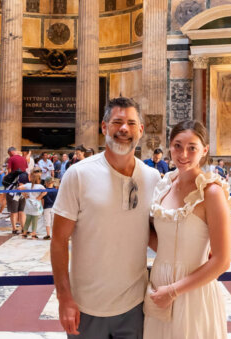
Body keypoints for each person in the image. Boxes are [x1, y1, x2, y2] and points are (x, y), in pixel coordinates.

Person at [51, 97, 161, 338]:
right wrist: (64, 298)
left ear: (141, 130)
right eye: (117, 122)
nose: (124, 129)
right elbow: (58, 241)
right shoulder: (78, 174)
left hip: (135, 306)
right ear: (104, 127)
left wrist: (192, 253)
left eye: (131, 123)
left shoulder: (153, 178)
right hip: (86, 307)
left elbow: (153, 234)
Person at [144, 120, 231, 338]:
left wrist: (173, 291)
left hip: (192, 289)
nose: (183, 154)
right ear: (170, 147)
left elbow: (222, 260)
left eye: (192, 147)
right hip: (159, 286)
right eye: (177, 146)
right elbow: (163, 241)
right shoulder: (164, 187)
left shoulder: (211, 193)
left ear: (204, 150)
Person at [21, 170, 46, 239]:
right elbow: (45, 192)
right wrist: (40, 196)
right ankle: (33, 234)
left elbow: (19, 188)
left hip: (28, 204)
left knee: (28, 220)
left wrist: (24, 194)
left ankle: (24, 234)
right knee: (35, 220)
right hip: (36, 204)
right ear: (39, 179)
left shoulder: (28, 185)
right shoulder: (40, 186)